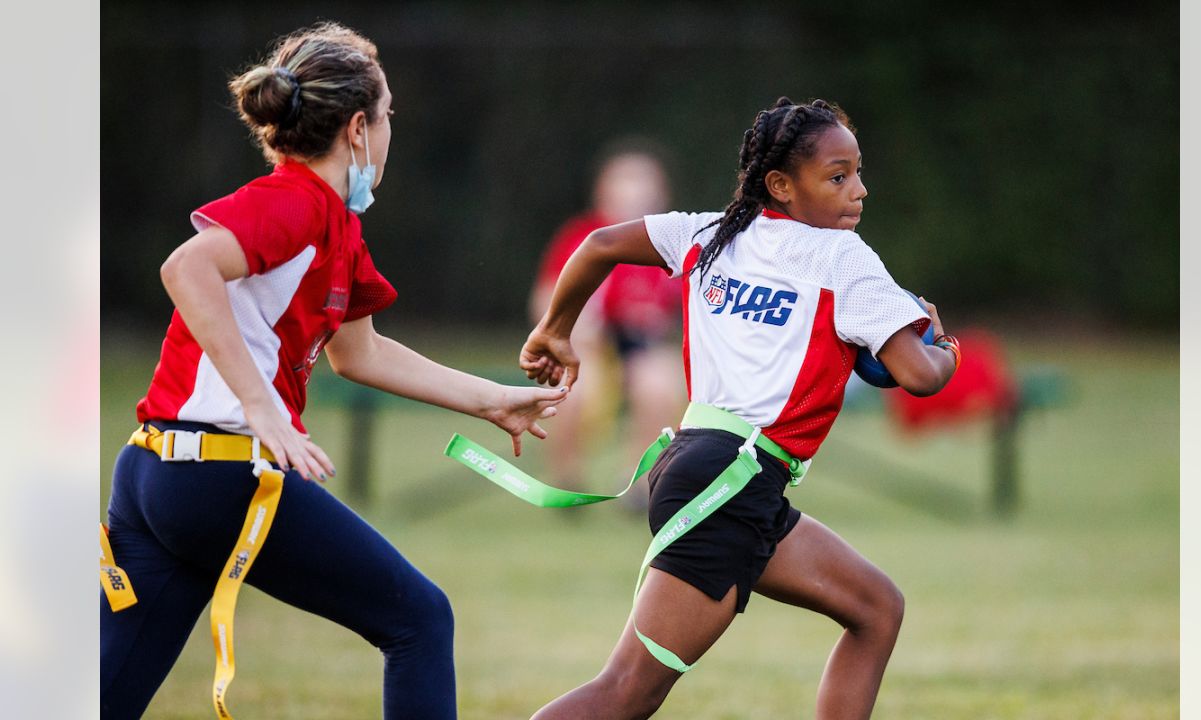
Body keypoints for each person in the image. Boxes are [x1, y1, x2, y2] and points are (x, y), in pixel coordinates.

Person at [99, 23, 566, 720]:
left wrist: (492, 400)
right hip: (221, 473)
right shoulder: (294, 202)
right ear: (356, 129)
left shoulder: (336, 226)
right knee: (419, 622)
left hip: (160, 475)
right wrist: (260, 409)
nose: (388, 134)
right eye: (388, 117)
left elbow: (361, 353)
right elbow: (185, 267)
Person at [520, 97, 961, 719]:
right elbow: (919, 377)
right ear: (780, 184)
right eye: (838, 177)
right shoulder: (844, 259)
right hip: (731, 481)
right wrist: (945, 348)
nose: (859, 190)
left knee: (875, 607)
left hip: (709, 468)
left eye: (858, 172)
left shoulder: (709, 234)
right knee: (626, 691)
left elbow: (598, 245)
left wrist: (555, 331)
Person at [528, 143, 683, 505]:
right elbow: (544, 298)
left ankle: (641, 483)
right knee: (575, 390)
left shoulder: (665, 240)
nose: (636, 194)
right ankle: (567, 478)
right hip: (589, 344)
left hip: (639, 343)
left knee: (658, 383)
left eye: (645, 185)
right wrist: (571, 327)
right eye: (626, 183)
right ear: (603, 191)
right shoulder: (582, 235)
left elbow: (674, 310)